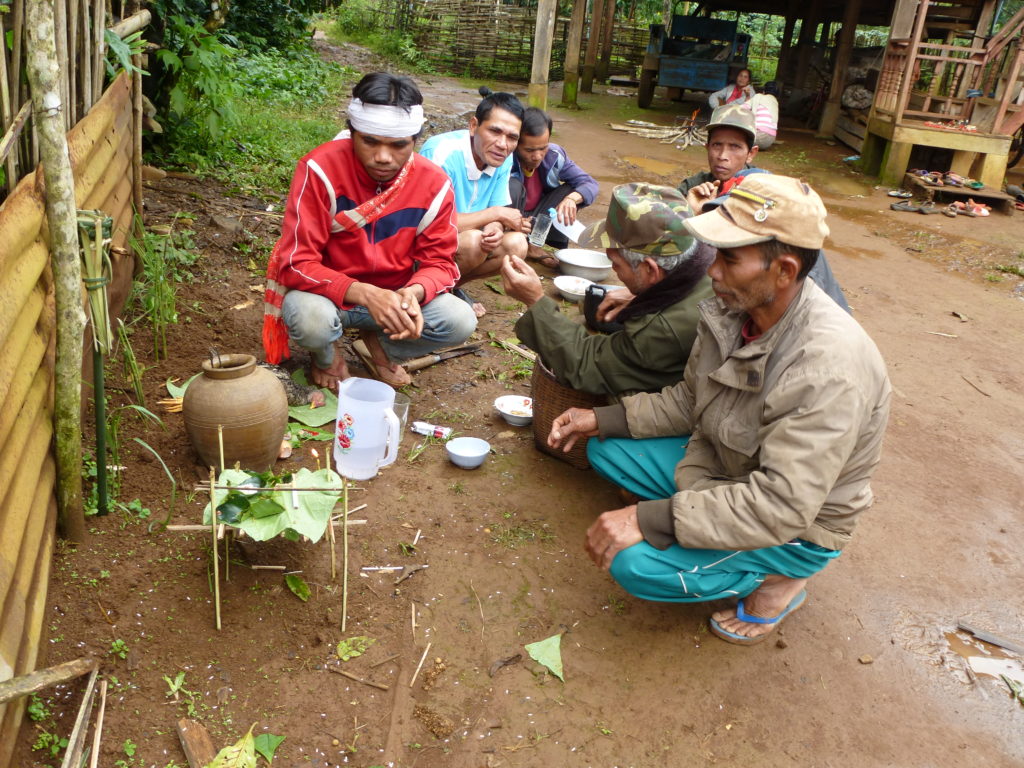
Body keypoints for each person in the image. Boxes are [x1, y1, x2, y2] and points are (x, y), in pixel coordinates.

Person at [547, 174, 891, 645]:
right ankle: (699, 519)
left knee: (634, 564)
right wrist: (601, 418)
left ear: (785, 271)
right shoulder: (737, 308)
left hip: (795, 524)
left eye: (729, 258)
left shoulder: (827, 368)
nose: (713, 271)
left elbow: (782, 505)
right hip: (730, 468)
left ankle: (781, 580)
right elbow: (692, 398)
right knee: (606, 446)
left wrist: (650, 519)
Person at [261, 73, 477, 389]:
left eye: (399, 145)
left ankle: (378, 348)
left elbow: (441, 264)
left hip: (395, 297)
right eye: (370, 141)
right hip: (329, 296)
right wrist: (366, 294)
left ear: (415, 140)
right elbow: (295, 263)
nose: (383, 157)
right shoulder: (319, 170)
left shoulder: (434, 184)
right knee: (310, 320)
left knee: (460, 320)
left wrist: (413, 293)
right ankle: (326, 356)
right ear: (352, 133)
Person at [500, 183, 714, 396]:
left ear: (650, 270)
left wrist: (535, 300)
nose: (614, 271)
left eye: (616, 263)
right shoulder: (710, 256)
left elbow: (588, 364)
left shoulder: (662, 330)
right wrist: (645, 295)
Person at [679, 103, 850, 313]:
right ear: (707, 147)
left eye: (735, 147)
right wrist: (690, 211)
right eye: (717, 145)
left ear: (751, 153)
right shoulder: (693, 188)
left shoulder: (767, 194)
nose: (723, 155)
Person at [419, 89, 529, 317]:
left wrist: (494, 228)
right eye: (495, 131)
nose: (503, 144)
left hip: (461, 239)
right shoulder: (441, 153)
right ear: (473, 126)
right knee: (473, 242)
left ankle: (448, 288)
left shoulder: (503, 157)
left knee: (517, 244)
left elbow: (495, 212)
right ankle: (423, 288)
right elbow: (429, 225)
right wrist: (495, 215)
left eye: (512, 137)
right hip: (421, 247)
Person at [509, 107, 599, 266]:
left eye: (543, 148)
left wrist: (572, 199)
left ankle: (541, 245)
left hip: (540, 218)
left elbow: (589, 184)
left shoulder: (555, 155)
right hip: (512, 219)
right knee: (513, 186)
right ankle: (522, 245)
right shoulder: (505, 160)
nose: (537, 156)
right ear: (515, 143)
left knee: (571, 190)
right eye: (529, 150)